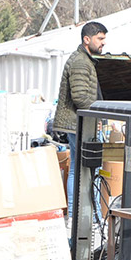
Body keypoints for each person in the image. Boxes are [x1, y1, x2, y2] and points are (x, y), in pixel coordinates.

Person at [52, 21, 107, 218]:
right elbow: (80, 97)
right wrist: (100, 113)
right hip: (79, 125)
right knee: (90, 170)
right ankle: (91, 218)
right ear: (87, 39)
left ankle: (80, 216)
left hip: (78, 124)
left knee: (79, 169)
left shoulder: (83, 60)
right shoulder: (81, 62)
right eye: (100, 39)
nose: (103, 43)